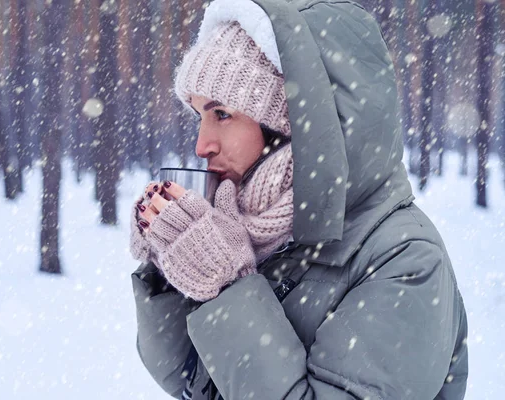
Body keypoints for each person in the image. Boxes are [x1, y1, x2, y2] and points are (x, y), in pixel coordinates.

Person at [129, 0, 468, 399]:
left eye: (221, 114)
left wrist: (226, 288)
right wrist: (170, 267)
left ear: (293, 124)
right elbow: (196, 386)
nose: (201, 144)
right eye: (199, 115)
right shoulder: (259, 233)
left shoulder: (405, 258)